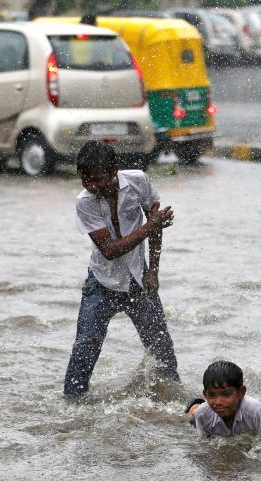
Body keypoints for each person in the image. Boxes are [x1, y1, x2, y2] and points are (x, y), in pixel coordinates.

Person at [63, 141, 180, 396]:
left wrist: (153, 271)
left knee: (162, 350)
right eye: (85, 179)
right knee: (84, 351)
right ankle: (71, 406)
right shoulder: (84, 202)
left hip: (139, 279)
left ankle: (176, 403)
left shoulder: (138, 181)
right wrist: (151, 225)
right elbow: (110, 250)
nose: (91, 186)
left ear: (114, 171)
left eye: (97, 179)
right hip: (101, 282)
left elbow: (155, 224)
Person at [192, 361, 261, 440]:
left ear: (241, 392)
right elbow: (204, 445)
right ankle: (194, 406)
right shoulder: (202, 414)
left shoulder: (255, 411)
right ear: (205, 395)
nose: (218, 402)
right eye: (212, 395)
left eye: (226, 394)